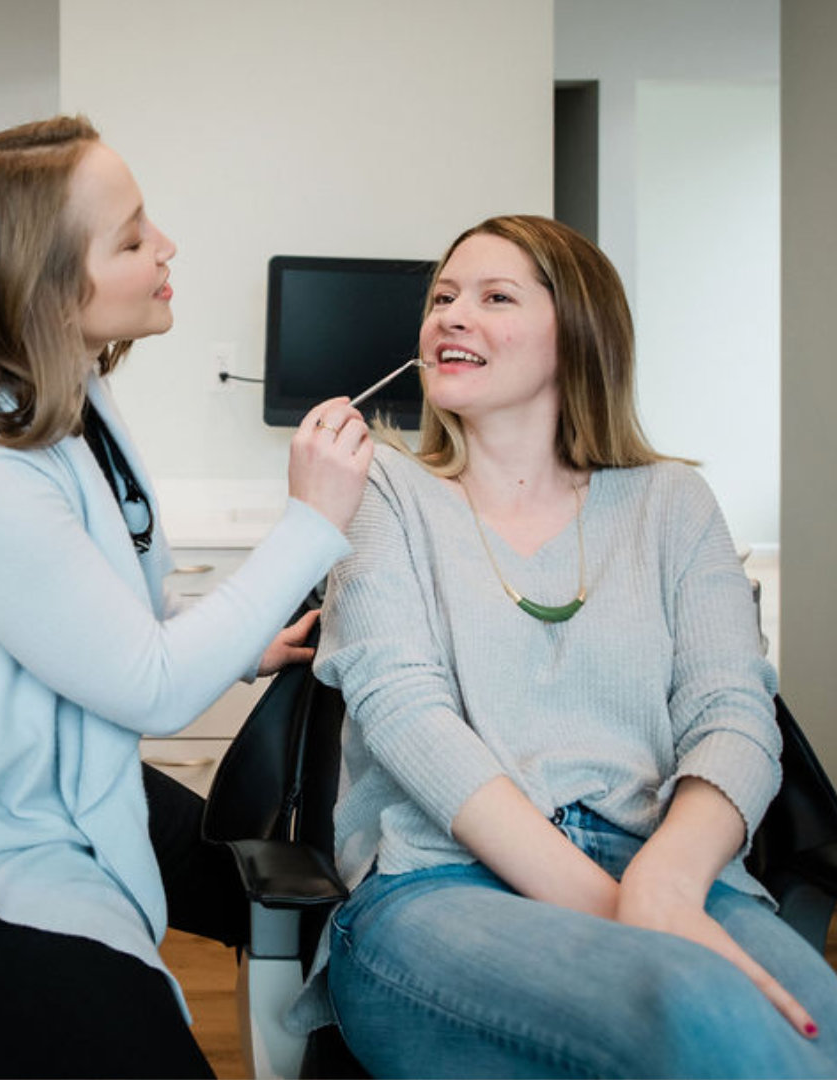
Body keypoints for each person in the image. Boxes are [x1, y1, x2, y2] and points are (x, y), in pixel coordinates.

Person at [0, 115, 372, 1079]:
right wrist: (311, 523)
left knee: (340, 924)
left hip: (59, 786)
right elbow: (147, 687)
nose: (168, 247)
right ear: (47, 284)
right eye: (134, 236)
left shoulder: (67, 405)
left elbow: (95, 627)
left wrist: (241, 645)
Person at [290, 215, 837, 1078]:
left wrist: (663, 885)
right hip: (439, 887)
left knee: (824, 1022)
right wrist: (626, 919)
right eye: (442, 298)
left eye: (494, 296)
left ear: (578, 336)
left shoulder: (673, 504)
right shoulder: (382, 492)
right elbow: (406, 716)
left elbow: (734, 714)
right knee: (697, 1012)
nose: (449, 316)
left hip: (667, 865)